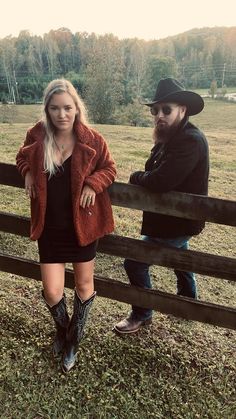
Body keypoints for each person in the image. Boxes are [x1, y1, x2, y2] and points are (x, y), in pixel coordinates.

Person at [16, 79, 116, 372]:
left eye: (68, 108)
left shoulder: (92, 139)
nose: (62, 114)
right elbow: (22, 156)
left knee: (84, 285)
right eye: (55, 108)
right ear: (47, 109)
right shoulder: (36, 135)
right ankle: (63, 330)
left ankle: (73, 339)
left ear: (76, 108)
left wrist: (94, 184)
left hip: (82, 227)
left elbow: (110, 168)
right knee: (52, 291)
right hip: (50, 228)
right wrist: (27, 174)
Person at [114, 77, 209, 334]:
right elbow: (155, 170)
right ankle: (188, 301)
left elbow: (160, 180)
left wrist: (135, 177)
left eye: (166, 110)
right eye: (156, 111)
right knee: (182, 257)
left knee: (134, 262)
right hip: (169, 219)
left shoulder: (190, 140)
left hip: (177, 222)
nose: (159, 116)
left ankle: (142, 312)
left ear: (183, 110)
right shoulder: (169, 138)